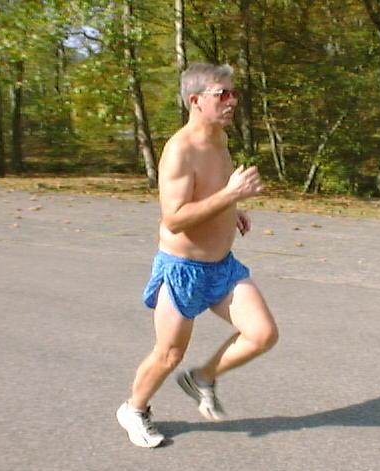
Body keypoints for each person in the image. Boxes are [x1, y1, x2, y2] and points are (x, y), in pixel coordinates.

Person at [116, 63, 279, 448]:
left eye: (233, 93)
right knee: (169, 354)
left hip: (222, 267)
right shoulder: (180, 151)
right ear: (195, 100)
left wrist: (231, 209)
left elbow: (207, 193)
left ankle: (203, 377)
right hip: (182, 270)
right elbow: (174, 219)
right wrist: (230, 195)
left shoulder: (219, 137)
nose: (232, 100)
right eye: (222, 94)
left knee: (262, 334)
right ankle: (134, 410)